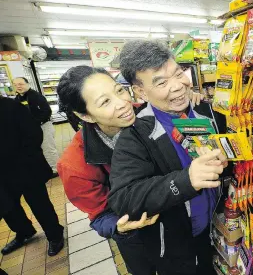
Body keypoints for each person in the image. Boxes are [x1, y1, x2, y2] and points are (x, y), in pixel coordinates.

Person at [108, 40, 227, 275]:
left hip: (219, 230)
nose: (178, 86)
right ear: (140, 91)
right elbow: (124, 199)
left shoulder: (209, 111)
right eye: (161, 82)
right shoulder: (135, 136)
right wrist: (186, 180)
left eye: (179, 73)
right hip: (177, 246)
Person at [56, 66, 165, 274]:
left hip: (176, 214)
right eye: (105, 102)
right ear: (85, 115)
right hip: (138, 232)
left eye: (119, 90)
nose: (123, 103)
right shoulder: (75, 164)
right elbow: (99, 216)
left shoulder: (146, 113)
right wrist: (119, 226)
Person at [0, 96, 64, 256]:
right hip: (2, 173)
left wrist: (25, 158)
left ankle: (55, 235)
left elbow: (34, 133)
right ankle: (24, 231)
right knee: (8, 207)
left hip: (24, 168)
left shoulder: (13, 106)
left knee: (39, 203)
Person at [14, 77, 59, 175]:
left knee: (48, 148)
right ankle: (47, 169)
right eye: (15, 84)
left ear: (27, 84)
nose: (18, 86)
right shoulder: (17, 99)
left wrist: (35, 122)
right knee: (39, 149)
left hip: (44, 126)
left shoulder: (36, 96)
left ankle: (55, 169)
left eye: (20, 84)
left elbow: (47, 112)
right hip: (32, 129)